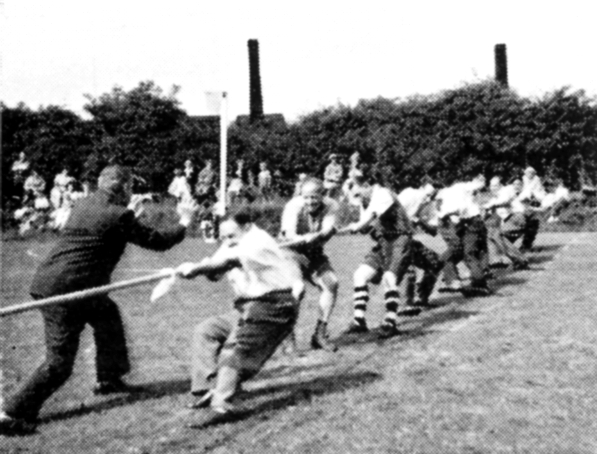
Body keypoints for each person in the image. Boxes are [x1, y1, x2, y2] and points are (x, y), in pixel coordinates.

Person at [0, 165, 196, 436]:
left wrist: (129, 214)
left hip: (68, 283)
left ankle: (109, 378)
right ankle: (11, 412)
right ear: (124, 187)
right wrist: (184, 220)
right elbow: (157, 241)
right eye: (129, 186)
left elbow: (103, 230)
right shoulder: (119, 214)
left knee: (108, 316)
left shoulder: (83, 204)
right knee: (59, 363)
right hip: (67, 291)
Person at [178, 208, 303, 428]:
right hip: (247, 306)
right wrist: (190, 269)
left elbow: (227, 263)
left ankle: (222, 405)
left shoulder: (257, 241)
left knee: (235, 348)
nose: (226, 241)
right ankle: (210, 389)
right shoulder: (232, 242)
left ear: (246, 227)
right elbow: (215, 274)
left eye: (231, 236)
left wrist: (196, 269)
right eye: (223, 237)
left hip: (274, 305)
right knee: (206, 330)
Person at [343, 171, 415, 338]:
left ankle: (390, 321)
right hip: (383, 242)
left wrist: (355, 226)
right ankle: (359, 320)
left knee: (389, 278)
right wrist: (356, 227)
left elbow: (368, 219)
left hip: (400, 239)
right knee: (360, 275)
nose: (355, 195)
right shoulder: (365, 199)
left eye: (356, 190)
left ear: (367, 185)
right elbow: (367, 228)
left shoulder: (382, 193)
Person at [280, 177, 340, 351]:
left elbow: (328, 229)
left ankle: (319, 334)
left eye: (314, 197)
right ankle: (287, 337)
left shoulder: (331, 205)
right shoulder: (293, 206)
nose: (310, 201)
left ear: (323, 195)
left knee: (331, 283)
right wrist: (300, 238)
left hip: (314, 252)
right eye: (306, 197)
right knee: (297, 290)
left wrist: (319, 235)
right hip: (290, 252)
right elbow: (289, 235)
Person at [432, 175, 492, 296]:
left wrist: (444, 215)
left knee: (468, 254)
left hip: (470, 223)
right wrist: (481, 180)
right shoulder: (462, 186)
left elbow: (456, 210)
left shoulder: (449, 192)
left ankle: (480, 285)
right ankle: (479, 277)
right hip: (476, 222)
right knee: (475, 251)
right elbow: (478, 185)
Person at [396, 183, 444, 309]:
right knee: (409, 270)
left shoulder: (429, 205)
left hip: (410, 241)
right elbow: (391, 211)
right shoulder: (409, 193)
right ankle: (407, 304)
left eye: (432, 196)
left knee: (436, 262)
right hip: (396, 240)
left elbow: (433, 231)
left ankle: (422, 297)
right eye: (427, 194)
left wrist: (420, 221)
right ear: (421, 188)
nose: (428, 199)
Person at [483, 177, 529, 270]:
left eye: (495, 185)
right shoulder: (497, 195)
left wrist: (489, 206)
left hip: (517, 218)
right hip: (511, 219)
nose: (493, 188)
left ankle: (520, 260)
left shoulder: (506, 190)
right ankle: (497, 260)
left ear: (501, 185)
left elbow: (504, 201)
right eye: (491, 185)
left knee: (497, 235)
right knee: (491, 235)